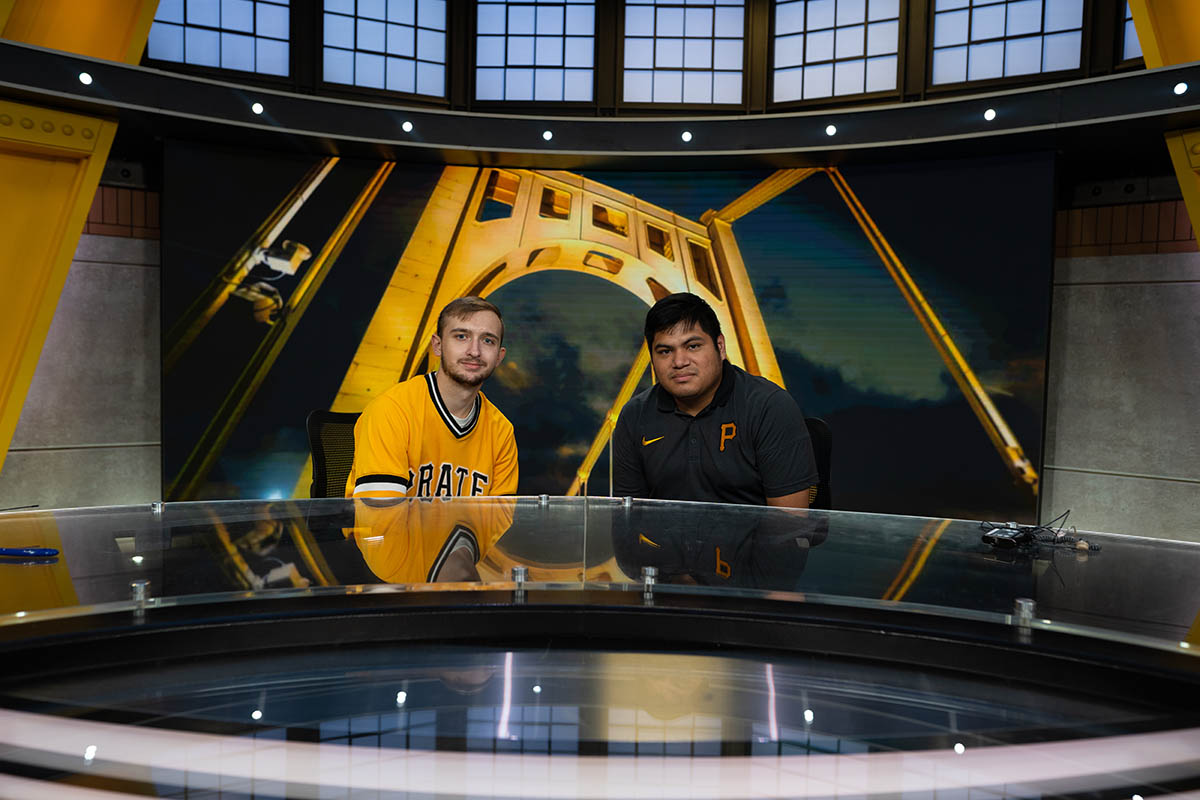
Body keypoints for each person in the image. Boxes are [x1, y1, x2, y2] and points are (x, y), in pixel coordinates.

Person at [612, 292, 817, 507]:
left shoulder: (769, 406)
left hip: (754, 541)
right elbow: (628, 521)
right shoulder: (634, 416)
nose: (679, 361)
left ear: (720, 347)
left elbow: (789, 525)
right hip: (666, 541)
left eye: (693, 346)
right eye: (665, 351)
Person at [345, 296, 518, 499]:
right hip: (387, 531)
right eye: (461, 336)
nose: (474, 351)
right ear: (437, 345)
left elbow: (499, 526)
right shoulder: (391, 411)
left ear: (499, 356)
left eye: (488, 340)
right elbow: (380, 520)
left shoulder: (502, 432)